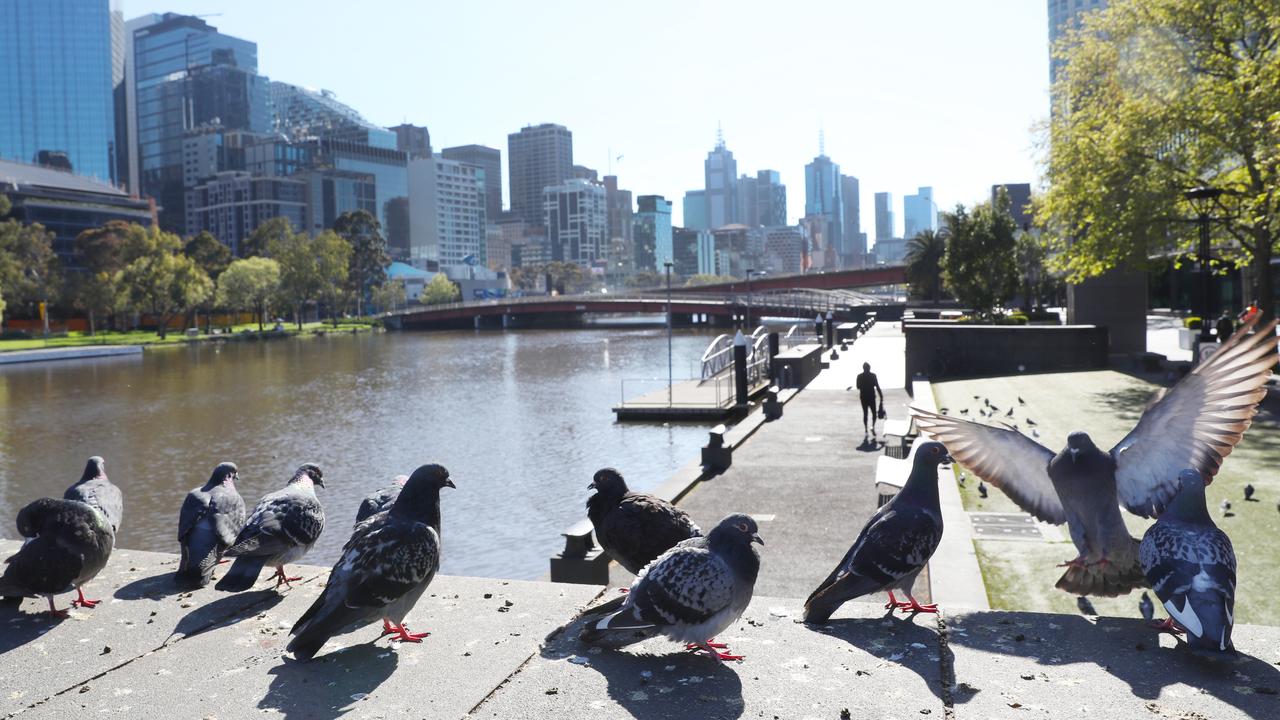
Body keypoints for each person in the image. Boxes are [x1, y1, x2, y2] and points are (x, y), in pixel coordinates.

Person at [855, 362, 884, 437]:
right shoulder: (873, 376)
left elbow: (858, 387)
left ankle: (866, 429)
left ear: (863, 368)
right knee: (874, 414)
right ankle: (872, 427)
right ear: (869, 368)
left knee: (865, 414)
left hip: (863, 397)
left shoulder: (859, 376)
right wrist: (881, 396)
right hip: (871, 397)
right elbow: (877, 386)